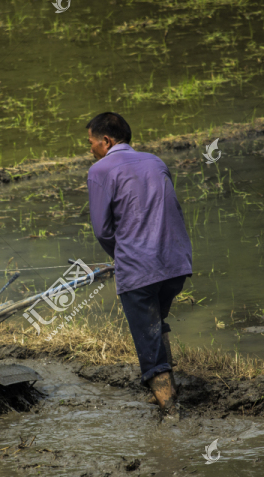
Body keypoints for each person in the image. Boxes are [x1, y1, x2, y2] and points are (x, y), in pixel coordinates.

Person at [85, 112, 193, 419]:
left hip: (139, 268)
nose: (90, 149)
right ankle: (169, 391)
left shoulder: (100, 169)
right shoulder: (156, 162)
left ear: (105, 141)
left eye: (90, 142)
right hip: (176, 263)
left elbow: (103, 230)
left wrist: (121, 257)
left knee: (148, 339)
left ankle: (172, 415)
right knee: (155, 322)